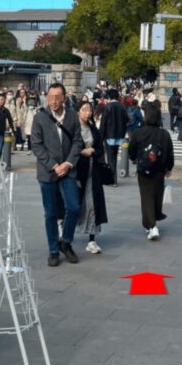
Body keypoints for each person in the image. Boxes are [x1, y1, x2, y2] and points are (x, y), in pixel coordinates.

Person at [30, 83, 84, 267]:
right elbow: (36, 145)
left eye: (57, 97)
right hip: (48, 172)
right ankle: (53, 250)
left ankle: (66, 242)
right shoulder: (40, 117)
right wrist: (54, 166)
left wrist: (68, 163)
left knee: (74, 207)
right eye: (50, 97)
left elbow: (78, 141)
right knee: (50, 213)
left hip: (68, 170)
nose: (54, 101)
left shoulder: (72, 116)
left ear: (64, 98)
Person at [128, 106, 174, 241]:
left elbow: (131, 151)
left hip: (144, 170)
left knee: (146, 196)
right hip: (159, 170)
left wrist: (134, 159)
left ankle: (152, 226)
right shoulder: (164, 134)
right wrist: (169, 167)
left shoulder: (139, 133)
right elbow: (169, 152)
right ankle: (151, 221)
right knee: (156, 195)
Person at [74, 101, 109, 254]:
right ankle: (64, 230)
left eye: (89, 110)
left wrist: (93, 150)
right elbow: (66, 149)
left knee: (92, 204)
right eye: (84, 110)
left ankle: (92, 240)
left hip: (92, 172)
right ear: (78, 112)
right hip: (75, 172)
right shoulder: (71, 129)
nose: (87, 113)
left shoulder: (93, 129)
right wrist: (82, 152)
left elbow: (101, 149)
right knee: (72, 204)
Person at [99, 89, 128, 186]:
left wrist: (101, 136)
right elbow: (127, 119)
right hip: (119, 136)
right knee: (114, 157)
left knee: (110, 158)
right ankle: (113, 179)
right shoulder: (122, 106)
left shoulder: (108, 107)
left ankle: (113, 180)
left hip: (109, 136)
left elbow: (103, 123)